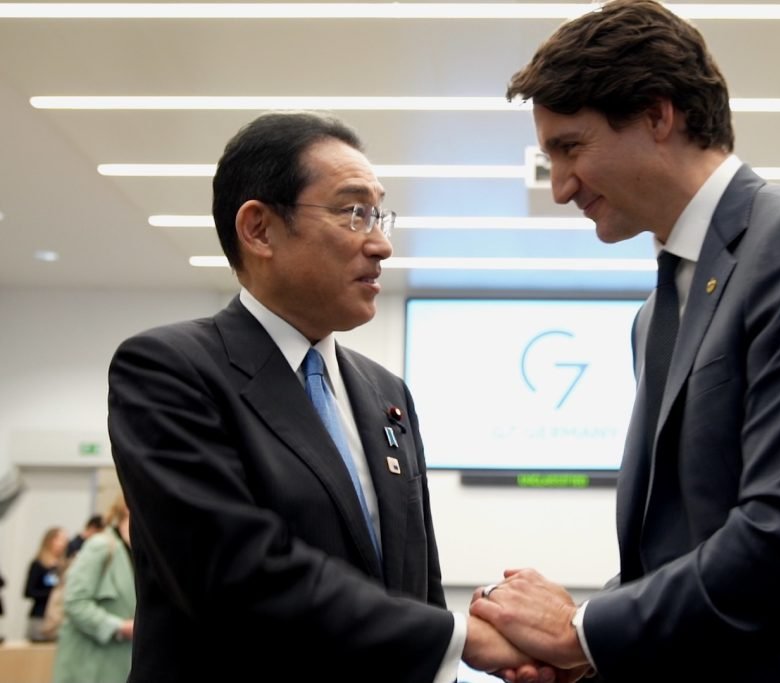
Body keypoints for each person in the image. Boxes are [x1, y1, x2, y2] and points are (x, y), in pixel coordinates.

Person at [470, 1, 780, 681]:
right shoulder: (655, 313)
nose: (561, 187)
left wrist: (582, 631)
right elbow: (683, 544)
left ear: (657, 116)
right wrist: (594, 653)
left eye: (570, 148)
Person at [107, 111, 543, 682]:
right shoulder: (170, 371)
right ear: (259, 229)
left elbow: (416, 583)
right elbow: (236, 576)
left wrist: (454, 653)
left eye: (379, 213)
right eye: (353, 212)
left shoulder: (386, 393)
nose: (381, 244)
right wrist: (461, 639)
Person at [51, 496, 135, 683]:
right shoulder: (102, 546)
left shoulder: (134, 553)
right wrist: (119, 627)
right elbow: (74, 601)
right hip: (88, 668)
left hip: (115, 666)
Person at [23, 526, 67, 642]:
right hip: (40, 617)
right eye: (60, 539)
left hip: (57, 618)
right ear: (50, 541)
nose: (63, 543)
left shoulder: (62, 566)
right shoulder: (38, 564)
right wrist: (52, 594)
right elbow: (28, 592)